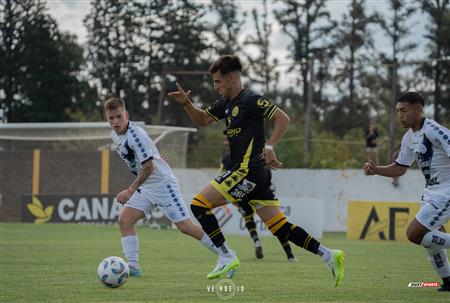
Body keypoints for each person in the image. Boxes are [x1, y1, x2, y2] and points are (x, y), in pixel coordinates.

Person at [168, 55, 344, 286]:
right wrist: (186, 103)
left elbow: (282, 118)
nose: (215, 86)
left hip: (247, 171)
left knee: (199, 204)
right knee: (280, 227)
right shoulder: (225, 104)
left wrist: (270, 147)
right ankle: (329, 255)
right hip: (256, 175)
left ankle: (226, 256)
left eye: (218, 81)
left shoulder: (251, 99)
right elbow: (201, 119)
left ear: (232, 78)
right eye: (214, 82)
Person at [104, 97, 221, 277]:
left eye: (119, 116)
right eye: (111, 118)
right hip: (148, 187)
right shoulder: (115, 135)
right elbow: (147, 158)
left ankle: (226, 255)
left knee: (185, 227)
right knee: (124, 220)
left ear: (126, 114)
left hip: (163, 185)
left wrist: (130, 190)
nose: (115, 122)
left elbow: (148, 167)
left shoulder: (136, 135)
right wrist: (158, 159)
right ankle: (133, 268)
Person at [363, 91, 450, 292]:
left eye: (404, 110)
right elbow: (400, 168)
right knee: (432, 241)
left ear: (418, 110)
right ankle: (448, 280)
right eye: (397, 111)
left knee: (414, 234)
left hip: (446, 190)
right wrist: (376, 170)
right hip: (431, 192)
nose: (400, 115)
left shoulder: (435, 130)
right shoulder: (409, 138)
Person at [221, 130, 297, 261]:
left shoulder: (231, 158)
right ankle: (289, 255)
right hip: (260, 191)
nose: (225, 142)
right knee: (276, 224)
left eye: (227, 139)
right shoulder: (253, 153)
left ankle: (256, 241)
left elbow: (224, 179)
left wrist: (234, 197)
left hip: (245, 192)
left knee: (250, 218)